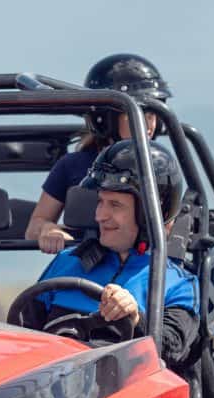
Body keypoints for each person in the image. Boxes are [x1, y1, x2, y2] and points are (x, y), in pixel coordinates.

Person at [29, 140, 199, 364]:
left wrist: (137, 319)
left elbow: (172, 350)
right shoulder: (66, 262)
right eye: (101, 202)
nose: (100, 215)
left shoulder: (177, 285)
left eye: (115, 205)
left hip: (126, 393)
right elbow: (21, 331)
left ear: (148, 215)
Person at [26, 53, 173, 254]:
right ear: (107, 119)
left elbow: (173, 229)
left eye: (151, 116)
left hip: (142, 271)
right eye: (135, 116)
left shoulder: (162, 166)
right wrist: (48, 229)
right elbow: (34, 227)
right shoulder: (72, 165)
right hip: (83, 271)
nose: (148, 126)